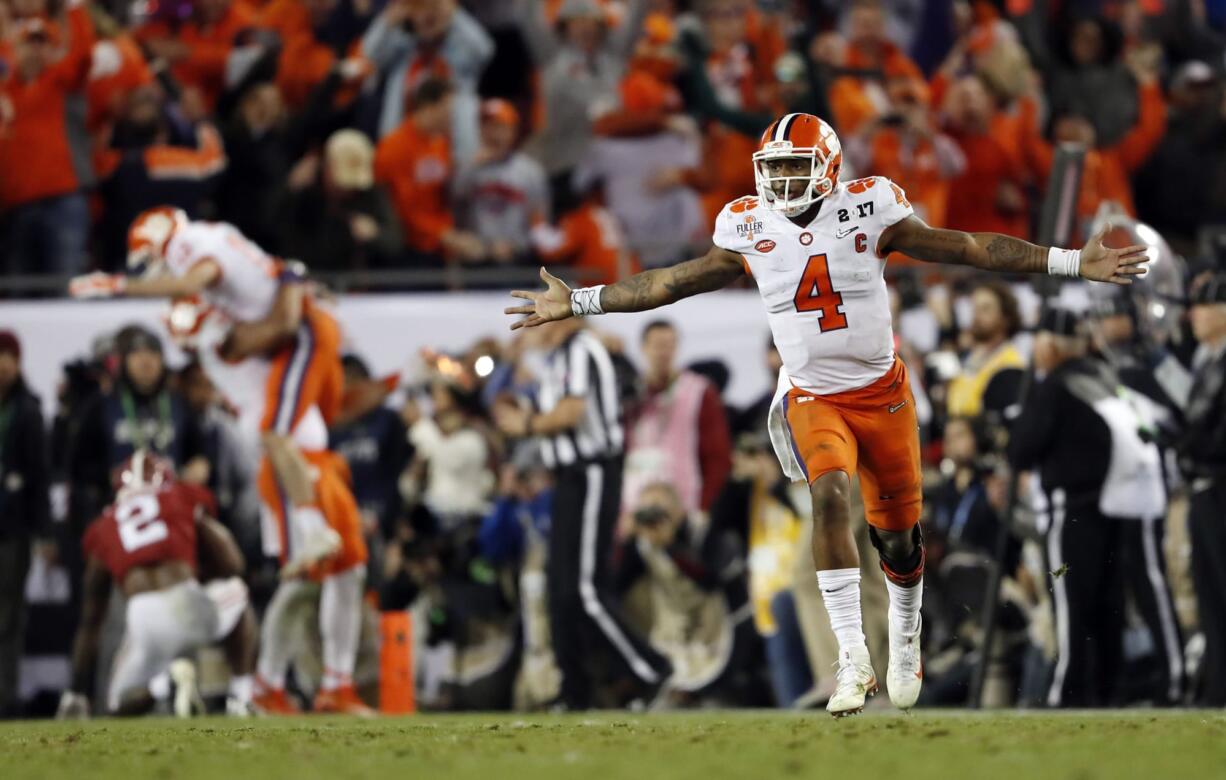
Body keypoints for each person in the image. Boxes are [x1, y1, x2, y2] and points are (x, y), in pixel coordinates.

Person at [506, 111, 1149, 716]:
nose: (782, 180)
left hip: (882, 391)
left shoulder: (869, 206)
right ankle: (851, 657)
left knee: (898, 536)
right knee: (830, 496)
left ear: (830, 166)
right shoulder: (746, 224)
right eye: (774, 167)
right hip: (812, 393)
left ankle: (905, 633)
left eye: (795, 166)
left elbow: (968, 247)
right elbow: (670, 282)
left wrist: (1067, 261)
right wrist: (582, 300)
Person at [68, 207, 346, 577]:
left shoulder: (193, 248)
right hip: (280, 365)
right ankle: (289, 548)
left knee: (275, 436)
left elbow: (210, 294)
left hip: (297, 349)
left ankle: (316, 531)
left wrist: (120, 285)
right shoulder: (219, 281)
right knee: (270, 469)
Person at [165, 297, 372, 715]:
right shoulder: (224, 347)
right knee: (305, 578)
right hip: (287, 463)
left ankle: (329, 683)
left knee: (345, 570)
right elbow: (282, 324)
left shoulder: (248, 354)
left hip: (308, 460)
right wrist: (296, 293)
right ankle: (273, 683)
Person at [492, 316, 672, 711]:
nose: (529, 330)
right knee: (560, 590)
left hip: (592, 472)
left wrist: (524, 423)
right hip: (568, 478)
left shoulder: (582, 349)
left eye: (535, 320)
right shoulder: (560, 358)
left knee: (587, 587)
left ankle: (653, 670)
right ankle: (574, 690)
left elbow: (570, 414)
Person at [1007, 307, 1177, 707]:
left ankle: (1068, 693)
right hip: (1118, 505)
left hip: (1072, 509)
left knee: (1072, 603)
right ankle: (1108, 690)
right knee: (1109, 603)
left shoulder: (1053, 388)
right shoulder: (1104, 377)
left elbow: (1022, 450)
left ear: (1048, 345)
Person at [57, 450, 258, 717]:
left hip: (142, 617)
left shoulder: (103, 525)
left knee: (119, 702)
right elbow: (233, 563)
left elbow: (91, 622)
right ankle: (240, 698)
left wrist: (76, 692)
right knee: (237, 593)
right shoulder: (179, 495)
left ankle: (160, 688)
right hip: (184, 598)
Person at [614, 481, 751, 704]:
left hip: (716, 621)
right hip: (673, 622)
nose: (653, 517)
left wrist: (670, 547)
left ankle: (714, 692)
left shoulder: (702, 528)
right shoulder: (643, 543)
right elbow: (615, 586)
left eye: (659, 508)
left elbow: (713, 579)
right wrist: (625, 542)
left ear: (678, 508)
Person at [67, 324, 209, 533]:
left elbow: (199, 453)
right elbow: (78, 465)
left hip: (172, 512)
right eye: (137, 354)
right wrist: (108, 477)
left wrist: (200, 466)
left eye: (153, 353)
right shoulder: (101, 405)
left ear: (163, 361)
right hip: (117, 513)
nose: (146, 361)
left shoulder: (179, 404)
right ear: (124, 362)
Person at [0, 3, 95, 276]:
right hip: (16, 207)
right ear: (15, 48)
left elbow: (83, 54)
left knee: (65, 284)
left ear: (54, 51)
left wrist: (75, 8)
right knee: (17, 297)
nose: (35, 50)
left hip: (62, 201)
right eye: (30, 43)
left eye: (44, 43)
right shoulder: (7, 88)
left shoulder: (62, 83)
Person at [622, 320, 731, 517]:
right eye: (657, 345)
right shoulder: (629, 393)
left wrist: (704, 506)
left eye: (669, 345)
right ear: (643, 348)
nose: (663, 352)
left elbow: (717, 455)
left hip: (682, 504)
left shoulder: (698, 391)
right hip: (632, 506)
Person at [1178, 272, 1226, 706]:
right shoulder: (1206, 360)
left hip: (1221, 489)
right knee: (1209, 594)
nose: (1193, 314)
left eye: (1203, 305)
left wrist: (1187, 443)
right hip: (1205, 491)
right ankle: (1217, 692)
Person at [0, 331, 49, 719]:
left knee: (10, 617)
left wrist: (43, 532)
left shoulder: (28, 411)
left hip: (11, 531)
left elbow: (40, 477)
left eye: (8, 357)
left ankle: (6, 696)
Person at [945, 281, 1025, 419]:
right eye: (974, 309)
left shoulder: (1011, 365)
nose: (977, 316)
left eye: (985, 309)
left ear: (1006, 318)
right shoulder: (969, 357)